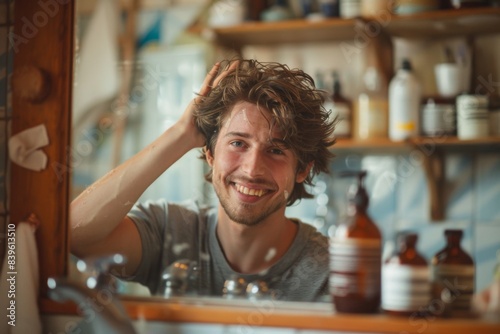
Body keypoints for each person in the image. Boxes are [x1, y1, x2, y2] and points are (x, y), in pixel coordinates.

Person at [70, 59, 336, 302]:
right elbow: (73, 234)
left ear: (302, 170)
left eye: (276, 150)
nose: (253, 169)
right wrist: (180, 135)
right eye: (237, 143)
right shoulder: (171, 232)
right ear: (210, 153)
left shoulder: (330, 272)